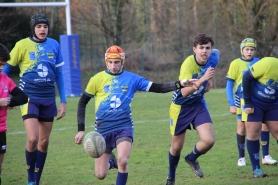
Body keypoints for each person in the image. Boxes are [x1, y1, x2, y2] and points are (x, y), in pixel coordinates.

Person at [74, 45, 198, 185]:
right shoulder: (96, 79)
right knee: (100, 174)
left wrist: (180, 84)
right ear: (106, 62)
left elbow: (158, 87)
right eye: (110, 62)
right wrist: (80, 129)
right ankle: (110, 162)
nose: (113, 66)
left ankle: (117, 163)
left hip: (123, 127)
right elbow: (82, 103)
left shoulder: (132, 79)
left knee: (123, 161)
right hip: (102, 131)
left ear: (122, 62)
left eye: (116, 62)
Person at [2, 14, 67, 185]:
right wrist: (6, 93)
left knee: (44, 142)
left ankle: (37, 180)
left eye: (45, 26)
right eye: (39, 27)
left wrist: (63, 101)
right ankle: (30, 178)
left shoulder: (54, 45)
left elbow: (60, 75)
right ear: (33, 29)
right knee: (33, 139)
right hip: (28, 98)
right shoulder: (22, 45)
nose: (42, 29)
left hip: (48, 98)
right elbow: (6, 69)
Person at [165, 33, 219, 185]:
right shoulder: (188, 65)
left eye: (207, 48)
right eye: (201, 48)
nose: (204, 51)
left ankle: (191, 158)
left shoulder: (213, 57)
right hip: (181, 107)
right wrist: (204, 79)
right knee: (176, 148)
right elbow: (184, 91)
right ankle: (171, 177)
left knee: (209, 140)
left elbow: (216, 56)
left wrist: (210, 81)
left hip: (198, 104)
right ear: (194, 49)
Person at [226, 38, 277, 167]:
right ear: (242, 50)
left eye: (252, 49)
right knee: (242, 128)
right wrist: (231, 103)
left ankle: (265, 156)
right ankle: (241, 157)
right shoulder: (235, 63)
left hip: (258, 99)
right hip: (242, 99)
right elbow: (229, 85)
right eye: (247, 49)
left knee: (264, 126)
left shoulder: (258, 62)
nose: (249, 52)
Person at [242, 56, 278, 178]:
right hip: (254, 101)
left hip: (273, 103)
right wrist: (247, 102)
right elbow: (246, 77)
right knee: (253, 131)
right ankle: (256, 169)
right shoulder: (269, 63)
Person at [0, 43, 28, 184]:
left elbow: (23, 97)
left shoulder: (6, 80)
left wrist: (9, 102)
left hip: (1, 130)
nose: (1, 68)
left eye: (3, 65)